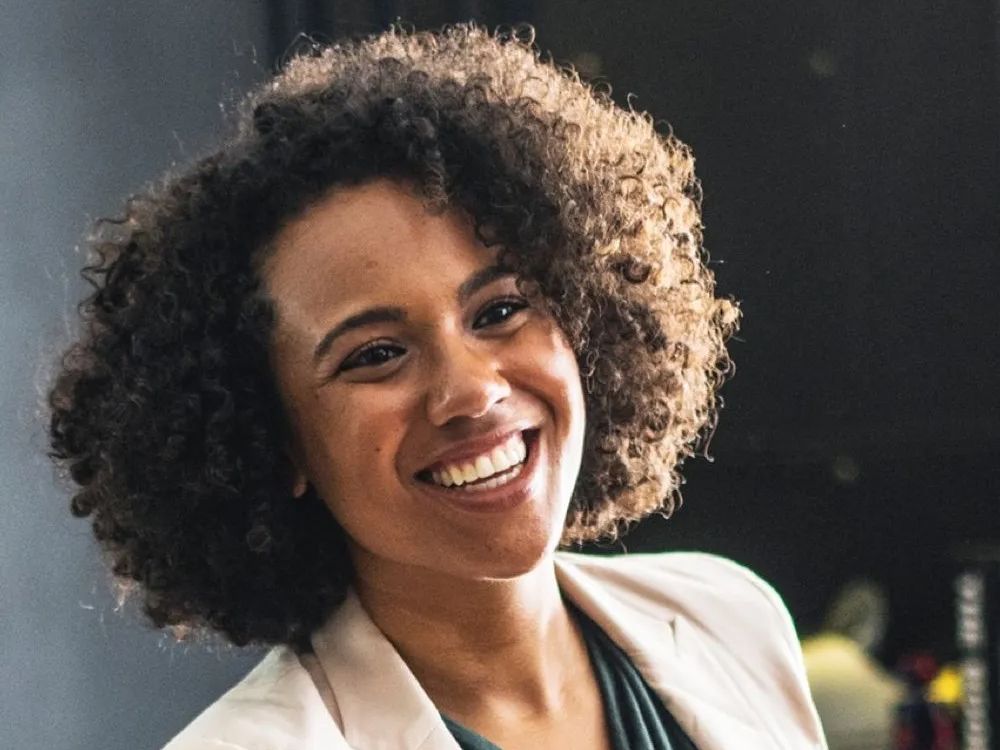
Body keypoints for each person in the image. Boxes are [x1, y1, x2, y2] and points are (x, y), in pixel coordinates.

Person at [47, 23, 826, 750]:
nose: (471, 390)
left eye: (501, 309)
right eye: (376, 354)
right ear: (272, 439)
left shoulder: (730, 618)